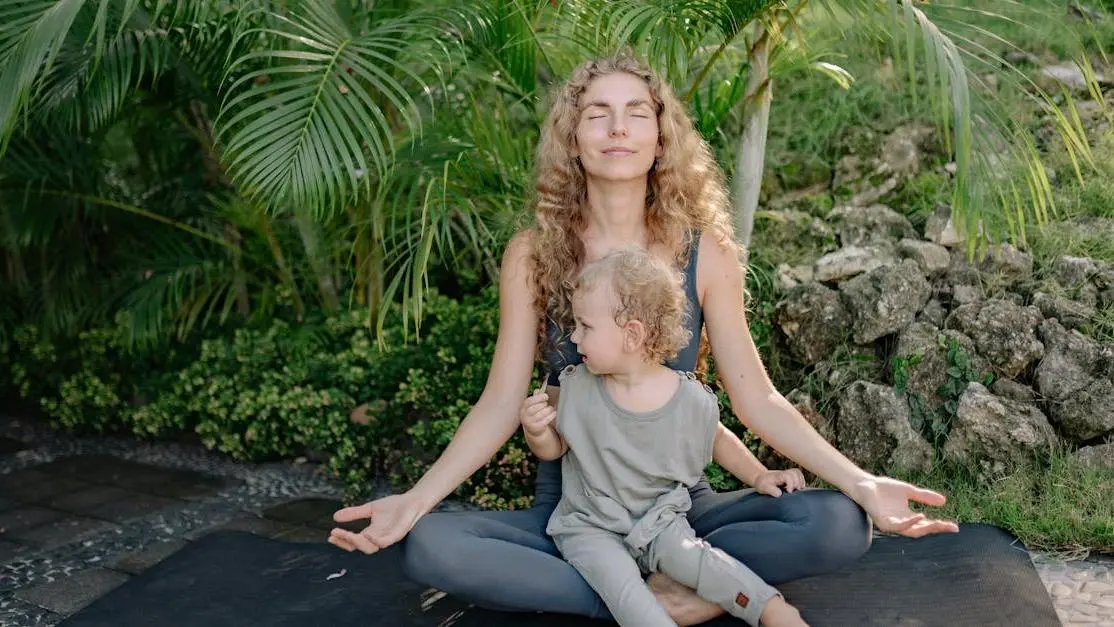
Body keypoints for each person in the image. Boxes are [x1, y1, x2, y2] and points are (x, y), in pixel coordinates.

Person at [329, 50, 959, 625]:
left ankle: (637, 590)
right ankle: (684, 596)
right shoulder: (531, 254)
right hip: (577, 513)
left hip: (683, 506)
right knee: (433, 547)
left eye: (636, 113)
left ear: (661, 139)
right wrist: (413, 501)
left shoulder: (705, 252)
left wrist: (862, 483)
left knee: (838, 524)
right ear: (573, 140)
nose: (618, 128)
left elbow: (757, 400)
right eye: (598, 114)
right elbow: (499, 404)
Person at [522, 246, 807, 626]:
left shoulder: (686, 397)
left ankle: (771, 610)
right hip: (591, 526)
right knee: (626, 594)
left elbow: (717, 438)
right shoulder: (575, 387)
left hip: (660, 521)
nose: (574, 339)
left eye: (585, 326)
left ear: (632, 334)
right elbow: (555, 448)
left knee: (704, 562)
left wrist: (759, 475)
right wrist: (536, 430)